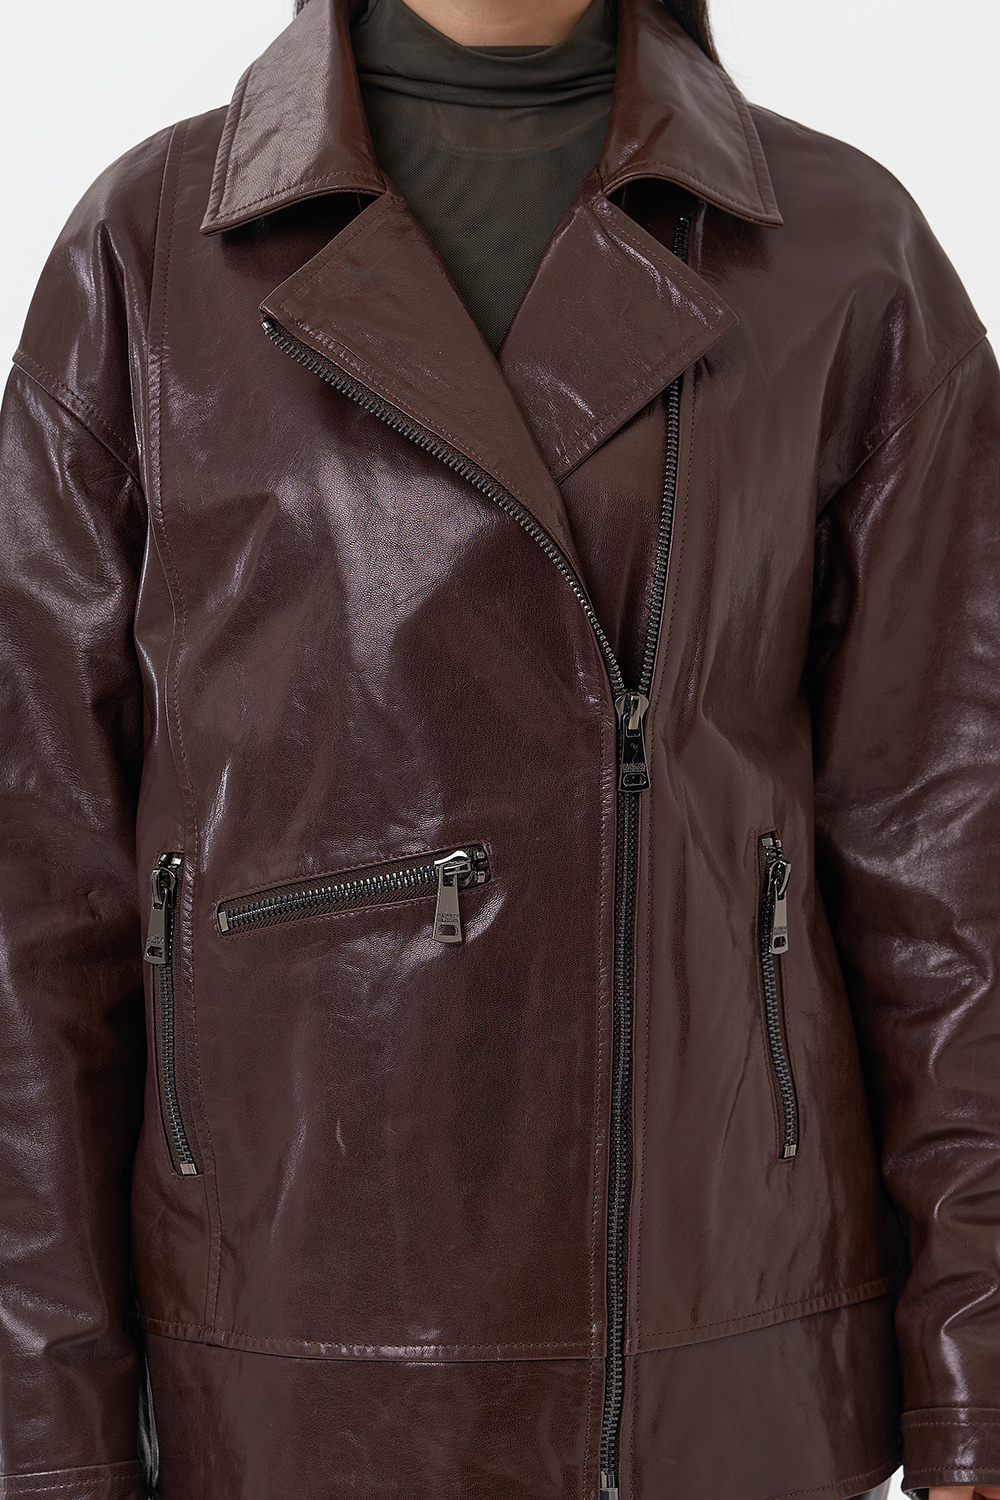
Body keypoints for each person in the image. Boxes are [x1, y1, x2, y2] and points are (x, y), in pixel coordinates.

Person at [1, 0, 998, 1495]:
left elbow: (954, 865)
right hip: (281, 1369)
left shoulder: (844, 252)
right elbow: (39, 894)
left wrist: (979, 1377)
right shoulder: (148, 252)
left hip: (715, 1371)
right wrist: (45, 1435)